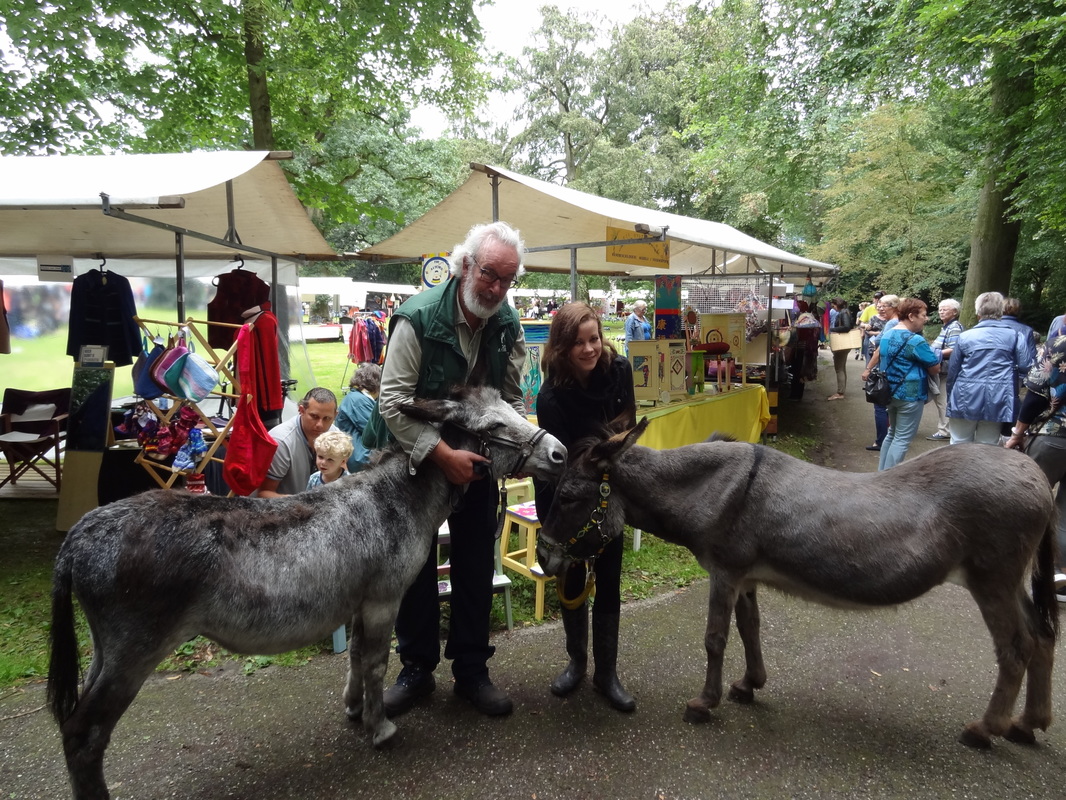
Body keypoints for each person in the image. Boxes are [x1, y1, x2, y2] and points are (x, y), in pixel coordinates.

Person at [363, 220, 528, 718]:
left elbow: (514, 396)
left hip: (475, 460)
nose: (497, 288)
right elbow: (391, 403)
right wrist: (441, 454)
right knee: (415, 566)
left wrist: (512, 440)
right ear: (464, 266)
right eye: (489, 275)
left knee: (476, 559)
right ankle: (416, 669)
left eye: (507, 280)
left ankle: (472, 670)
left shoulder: (507, 324)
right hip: (414, 458)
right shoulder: (415, 318)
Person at [534, 301, 637, 712]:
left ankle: (606, 673)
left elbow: (627, 426)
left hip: (609, 489)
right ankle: (576, 662)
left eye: (594, 338)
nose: (589, 349)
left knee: (609, 578)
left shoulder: (620, 370)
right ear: (562, 347)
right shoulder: (551, 397)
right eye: (578, 343)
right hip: (564, 495)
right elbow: (559, 464)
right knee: (572, 580)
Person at [1004, 320, 1066, 601]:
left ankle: (1005, 567)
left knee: (1024, 502)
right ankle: (1059, 575)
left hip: (1054, 436)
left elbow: (1037, 393)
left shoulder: (1059, 344)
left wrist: (1018, 432)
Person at [862, 297, 939, 470]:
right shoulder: (915, 341)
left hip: (890, 392)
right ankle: (889, 480)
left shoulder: (887, 335)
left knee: (892, 434)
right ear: (912, 316)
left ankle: (881, 474)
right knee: (902, 439)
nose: (925, 319)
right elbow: (934, 368)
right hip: (910, 395)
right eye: (923, 315)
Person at [946, 292, 1032, 445]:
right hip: (998, 396)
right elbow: (1026, 365)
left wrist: (950, 397)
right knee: (987, 446)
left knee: (958, 444)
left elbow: (953, 371)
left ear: (978, 311)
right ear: (1001, 310)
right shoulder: (1015, 336)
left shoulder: (965, 336)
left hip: (965, 394)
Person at [256, 387, 339, 497]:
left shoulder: (335, 435)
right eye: (314, 416)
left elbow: (343, 476)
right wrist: (298, 503)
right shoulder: (281, 442)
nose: (320, 425)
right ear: (301, 410)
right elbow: (263, 493)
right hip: (284, 509)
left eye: (327, 418)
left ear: (335, 416)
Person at [862, 294, 900, 451]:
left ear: (894, 307)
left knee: (880, 404)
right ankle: (889, 438)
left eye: (884, 305)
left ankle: (881, 441)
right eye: (879, 305)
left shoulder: (892, 323)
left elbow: (879, 346)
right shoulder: (899, 322)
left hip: (885, 369)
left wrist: (868, 368)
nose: (880, 308)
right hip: (894, 369)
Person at [925, 299, 964, 441]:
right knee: (941, 399)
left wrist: (935, 354)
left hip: (946, 369)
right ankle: (945, 428)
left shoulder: (954, 327)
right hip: (943, 369)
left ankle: (945, 431)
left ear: (954, 312)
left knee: (943, 400)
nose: (941, 311)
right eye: (940, 309)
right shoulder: (947, 326)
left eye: (945, 309)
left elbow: (954, 349)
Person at [335, 362, 381, 473]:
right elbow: (375, 432)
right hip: (360, 460)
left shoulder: (356, 397)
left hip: (355, 457)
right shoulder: (359, 401)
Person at [827, 297, 854, 400]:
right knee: (841, 368)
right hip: (844, 344)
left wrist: (831, 329)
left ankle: (840, 393)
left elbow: (846, 327)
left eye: (833, 305)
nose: (833, 307)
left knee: (839, 368)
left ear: (836, 304)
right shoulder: (845, 311)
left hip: (841, 344)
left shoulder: (843, 312)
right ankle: (841, 391)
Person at [858, 290, 884, 362]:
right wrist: (866, 325)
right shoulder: (869, 309)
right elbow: (861, 323)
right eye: (875, 298)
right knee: (870, 357)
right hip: (871, 337)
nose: (877, 300)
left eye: (879, 298)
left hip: (883, 337)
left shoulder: (887, 309)